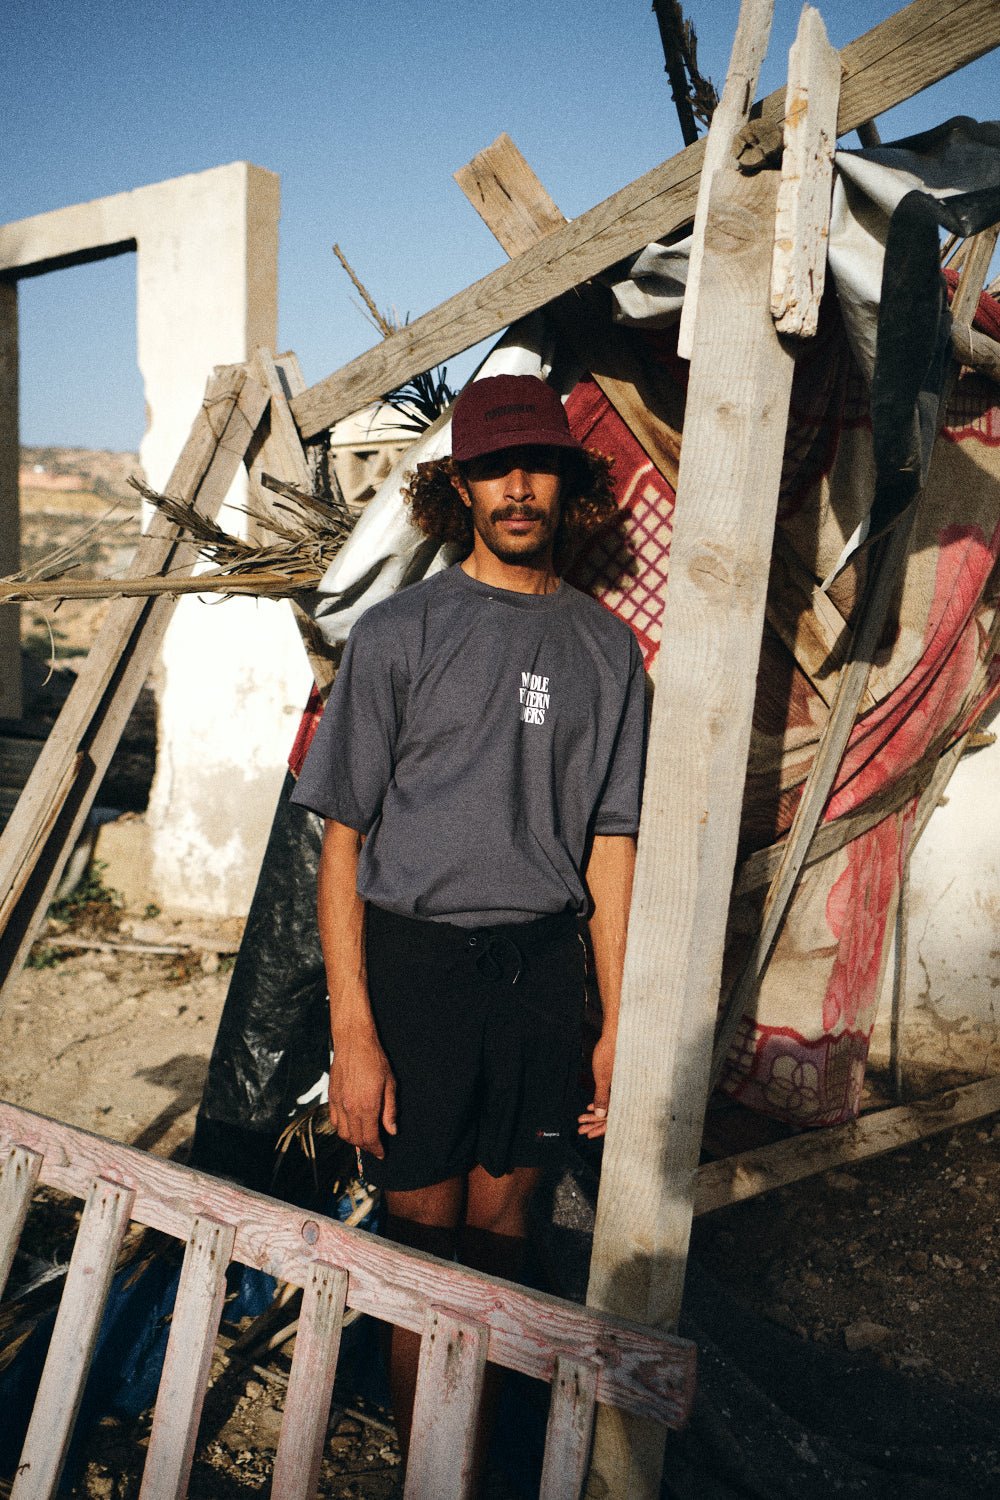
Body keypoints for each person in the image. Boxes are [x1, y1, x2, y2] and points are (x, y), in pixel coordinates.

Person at [290, 372, 646, 1468]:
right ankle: (424, 1475)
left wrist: (615, 1021)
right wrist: (353, 1033)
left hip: (542, 973)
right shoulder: (402, 634)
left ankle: (481, 1463)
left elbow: (610, 845)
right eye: (492, 468)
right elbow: (341, 840)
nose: (517, 487)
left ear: (568, 482)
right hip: (419, 970)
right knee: (420, 1244)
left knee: (506, 1235)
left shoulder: (608, 651)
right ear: (460, 486)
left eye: (535, 464)